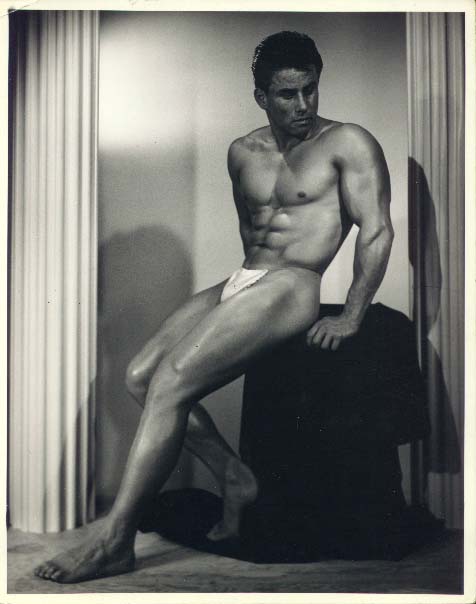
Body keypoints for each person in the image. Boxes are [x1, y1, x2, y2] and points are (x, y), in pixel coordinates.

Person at [34, 30, 393, 583]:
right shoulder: (241, 152)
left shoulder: (349, 143)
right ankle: (233, 476)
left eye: (310, 90)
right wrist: (239, 292)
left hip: (294, 284)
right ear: (261, 96)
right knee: (139, 376)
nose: (302, 105)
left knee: (171, 381)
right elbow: (255, 242)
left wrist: (351, 313)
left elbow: (376, 231)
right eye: (287, 94)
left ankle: (114, 540)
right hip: (248, 278)